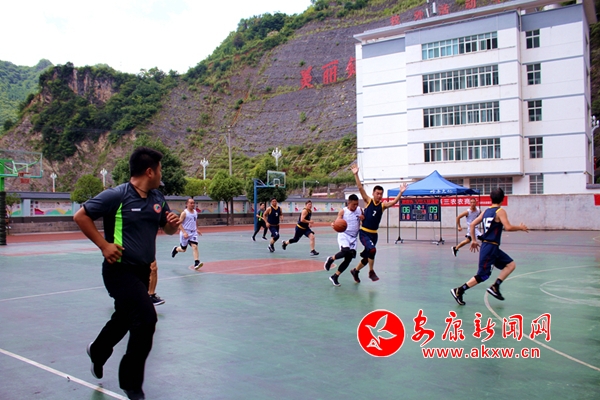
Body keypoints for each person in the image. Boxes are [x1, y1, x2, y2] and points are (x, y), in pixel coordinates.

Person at [74, 147, 180, 400]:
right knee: (146, 319)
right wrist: (104, 245)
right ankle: (131, 384)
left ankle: (97, 350)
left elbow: (167, 229)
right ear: (149, 171)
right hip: (119, 271)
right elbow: (81, 216)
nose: (161, 174)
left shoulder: (157, 198)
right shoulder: (117, 195)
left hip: (142, 272)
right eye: (160, 169)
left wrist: (171, 225)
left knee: (124, 318)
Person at [450, 188, 528, 306]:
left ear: (491, 198)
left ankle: (495, 286)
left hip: (492, 247)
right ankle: (459, 290)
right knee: (483, 275)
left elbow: (472, 224)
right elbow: (508, 227)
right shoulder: (500, 211)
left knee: (511, 265)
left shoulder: (486, 211)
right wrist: (520, 228)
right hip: (490, 247)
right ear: (502, 199)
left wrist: (474, 240)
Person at [349, 164, 407, 283]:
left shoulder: (382, 205)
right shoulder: (368, 201)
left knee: (368, 257)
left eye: (381, 194)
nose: (379, 195)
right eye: (377, 193)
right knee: (372, 250)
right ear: (373, 193)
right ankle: (371, 271)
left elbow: (394, 202)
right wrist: (356, 174)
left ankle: (355, 271)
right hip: (364, 233)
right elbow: (360, 188)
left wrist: (401, 193)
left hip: (374, 235)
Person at [324, 194, 363, 286]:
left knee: (348, 259)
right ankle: (331, 259)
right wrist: (334, 224)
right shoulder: (343, 211)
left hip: (354, 237)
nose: (355, 206)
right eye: (353, 204)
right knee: (345, 251)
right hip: (344, 235)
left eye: (357, 204)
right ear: (349, 203)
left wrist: (363, 219)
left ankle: (335, 276)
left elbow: (363, 220)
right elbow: (337, 221)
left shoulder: (359, 210)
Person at [171, 197, 203, 270]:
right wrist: (184, 232)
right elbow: (179, 223)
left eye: (193, 203)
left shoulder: (195, 212)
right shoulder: (184, 213)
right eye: (191, 203)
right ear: (187, 204)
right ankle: (176, 249)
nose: (192, 204)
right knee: (183, 249)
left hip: (193, 232)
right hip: (185, 232)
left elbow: (195, 221)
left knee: (194, 246)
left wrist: (197, 229)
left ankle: (196, 263)